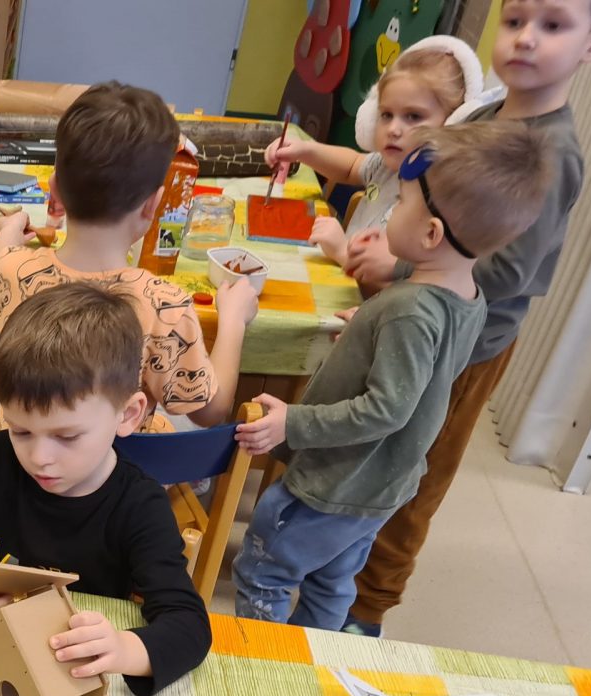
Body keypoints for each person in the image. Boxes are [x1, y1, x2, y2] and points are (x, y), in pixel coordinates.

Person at [342, 0, 591, 635]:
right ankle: (339, 565)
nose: (525, 38)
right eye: (515, 21)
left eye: (552, 26)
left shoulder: (552, 152)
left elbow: (508, 272)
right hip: (416, 315)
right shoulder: (484, 115)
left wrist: (400, 266)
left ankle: (367, 609)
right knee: (374, 446)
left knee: (415, 471)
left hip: (466, 345)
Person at [233, 122, 554, 630]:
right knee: (332, 583)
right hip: (383, 487)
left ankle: (262, 663)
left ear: (431, 234)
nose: (388, 216)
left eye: (400, 204)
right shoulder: (469, 296)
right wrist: (369, 333)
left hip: (336, 483)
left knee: (263, 574)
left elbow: (386, 409)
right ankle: (314, 656)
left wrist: (292, 423)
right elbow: (425, 368)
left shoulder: (409, 310)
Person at [0, 283, 211, 696]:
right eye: (20, 430)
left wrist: (124, 648)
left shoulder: (140, 504)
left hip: (74, 679)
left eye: (66, 436)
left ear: (128, 415)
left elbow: (189, 626)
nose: (39, 458)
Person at [0, 83, 259, 431]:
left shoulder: (13, 269)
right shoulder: (165, 305)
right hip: (114, 465)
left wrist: (7, 233)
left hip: (20, 454)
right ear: (153, 205)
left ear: (54, 190)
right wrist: (233, 321)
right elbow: (209, 411)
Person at [264, 36, 484, 271]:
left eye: (413, 116)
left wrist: (343, 251)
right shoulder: (389, 166)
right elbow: (351, 166)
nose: (393, 129)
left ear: (453, 124)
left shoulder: (436, 202)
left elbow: (401, 276)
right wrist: (305, 150)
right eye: (386, 115)